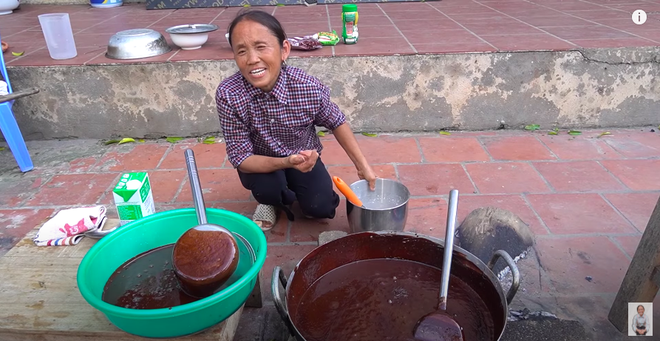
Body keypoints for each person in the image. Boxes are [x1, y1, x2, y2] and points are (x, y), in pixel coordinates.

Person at [216, 9, 376, 231]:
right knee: (269, 189)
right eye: (241, 51)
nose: (252, 59)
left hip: (303, 160)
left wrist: (363, 166)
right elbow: (240, 156)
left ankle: (287, 192)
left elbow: (336, 121)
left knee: (321, 208)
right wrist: (284, 162)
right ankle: (270, 201)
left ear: (284, 50)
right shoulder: (229, 94)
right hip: (260, 164)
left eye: (261, 47)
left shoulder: (306, 87)